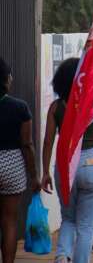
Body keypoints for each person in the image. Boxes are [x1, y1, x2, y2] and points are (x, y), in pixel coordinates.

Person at [41, 58, 93, 263]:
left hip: (66, 164)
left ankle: (63, 256)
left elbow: (47, 142)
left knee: (69, 219)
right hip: (92, 162)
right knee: (86, 226)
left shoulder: (56, 107)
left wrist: (45, 171)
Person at [0, 58, 39, 263]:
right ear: (6, 79)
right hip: (12, 164)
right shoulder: (20, 107)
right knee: (9, 221)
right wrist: (34, 176)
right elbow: (27, 144)